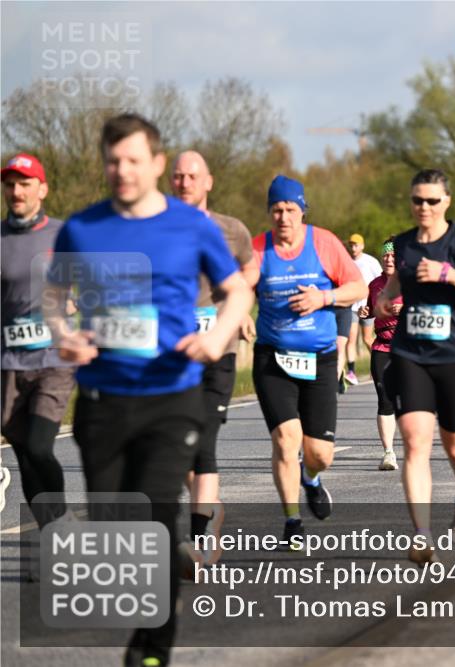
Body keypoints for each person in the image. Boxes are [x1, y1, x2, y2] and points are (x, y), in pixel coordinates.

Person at [43, 114, 254, 667]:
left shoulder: (193, 227)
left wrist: (217, 342)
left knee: (157, 513)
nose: (122, 171)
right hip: (101, 402)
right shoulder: (81, 229)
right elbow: (52, 297)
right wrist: (65, 337)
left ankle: (151, 649)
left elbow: (236, 293)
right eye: (113, 160)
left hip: (172, 396)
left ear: (157, 164)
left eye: (134, 160)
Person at [374, 169, 455, 563]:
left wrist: (451, 274)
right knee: (415, 443)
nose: (424, 207)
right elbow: (399, 282)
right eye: (418, 200)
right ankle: (422, 534)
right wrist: (387, 299)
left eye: (432, 200)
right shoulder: (405, 243)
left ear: (446, 201)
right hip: (411, 354)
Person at [249, 175, 366, 546]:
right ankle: (292, 521)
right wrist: (236, 315)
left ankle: (311, 477)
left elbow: (358, 288)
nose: (284, 217)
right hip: (273, 356)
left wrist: (323, 298)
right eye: (277, 210)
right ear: (269, 212)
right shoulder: (257, 249)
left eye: (291, 210)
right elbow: (236, 290)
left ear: (302, 211)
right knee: (286, 439)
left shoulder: (325, 243)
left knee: (320, 454)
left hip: (319, 358)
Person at [170, 150, 258, 564]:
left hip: (218, 350)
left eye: (193, 175)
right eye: (178, 176)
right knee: (180, 443)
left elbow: (251, 269)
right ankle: (209, 507)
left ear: (208, 182)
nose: (185, 182)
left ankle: (199, 536)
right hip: (172, 355)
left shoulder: (231, 230)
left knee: (203, 439)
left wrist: (236, 309)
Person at [1, 153, 75, 528]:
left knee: (39, 445)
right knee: (24, 454)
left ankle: (61, 522)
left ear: (42, 189)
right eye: (10, 184)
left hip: (54, 361)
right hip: (10, 364)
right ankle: (54, 532)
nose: (16, 191)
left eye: (25, 183)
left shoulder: (64, 234)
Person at [359, 239, 402, 471]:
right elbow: (369, 310)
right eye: (385, 256)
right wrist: (363, 311)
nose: (388, 259)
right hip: (382, 347)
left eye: (393, 256)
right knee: (385, 399)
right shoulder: (374, 285)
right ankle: (389, 453)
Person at [346, 233, 383, 384]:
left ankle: (378, 365)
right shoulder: (347, 261)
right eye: (351, 245)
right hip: (352, 305)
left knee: (368, 338)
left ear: (362, 246)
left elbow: (381, 280)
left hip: (368, 306)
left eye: (356, 245)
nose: (353, 248)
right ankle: (351, 372)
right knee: (351, 339)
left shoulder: (370, 261)